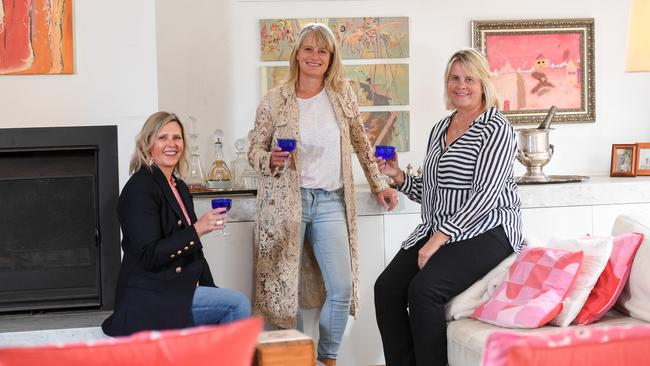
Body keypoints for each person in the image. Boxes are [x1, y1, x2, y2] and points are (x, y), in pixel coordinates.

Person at [248, 23, 398, 365]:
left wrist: (379, 184)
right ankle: (295, 360)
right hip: (287, 202)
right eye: (308, 49)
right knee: (284, 292)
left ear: (331, 59)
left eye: (322, 51)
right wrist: (269, 158)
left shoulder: (342, 97)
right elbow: (253, 150)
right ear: (297, 54)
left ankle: (326, 358)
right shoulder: (275, 100)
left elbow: (362, 144)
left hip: (330, 200)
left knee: (342, 288)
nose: (315, 56)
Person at [374, 48, 524, 366]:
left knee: (424, 291)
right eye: (455, 78)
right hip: (442, 230)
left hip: (490, 230)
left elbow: (485, 195)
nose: (461, 85)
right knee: (386, 289)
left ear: (484, 83)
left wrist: (437, 239)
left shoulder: (497, 129)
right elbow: (433, 192)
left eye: (469, 78)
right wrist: (398, 177)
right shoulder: (442, 128)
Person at [102, 111, 250, 337]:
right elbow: (149, 255)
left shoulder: (179, 186)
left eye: (177, 138)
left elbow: (194, 251)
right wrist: (198, 228)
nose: (171, 144)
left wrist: (212, 291)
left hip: (174, 289)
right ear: (147, 143)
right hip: (149, 297)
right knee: (237, 304)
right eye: (163, 138)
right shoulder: (140, 188)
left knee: (227, 302)